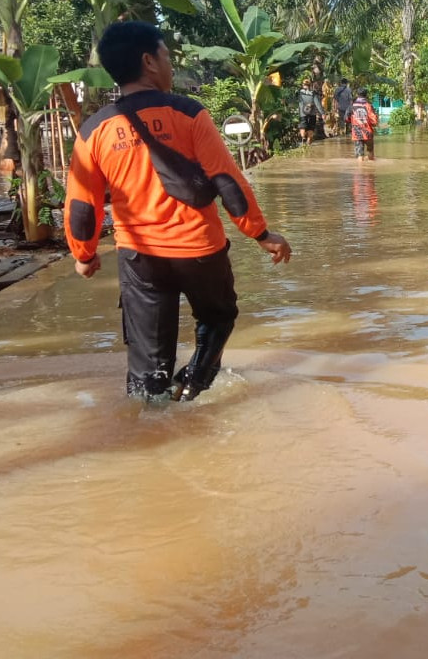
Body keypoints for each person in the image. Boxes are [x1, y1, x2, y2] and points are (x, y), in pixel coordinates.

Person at [64, 21, 292, 402]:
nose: (170, 65)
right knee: (218, 319)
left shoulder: (95, 129)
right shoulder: (188, 114)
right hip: (201, 249)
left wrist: (83, 256)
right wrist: (261, 235)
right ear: (149, 61)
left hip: (139, 259)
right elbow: (228, 182)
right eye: (167, 55)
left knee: (148, 361)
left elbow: (82, 206)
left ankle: (151, 425)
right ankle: (192, 388)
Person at [346, 87, 379, 161]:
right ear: (366, 95)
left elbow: (346, 118)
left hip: (357, 133)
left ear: (357, 94)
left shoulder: (352, 106)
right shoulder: (368, 105)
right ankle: (370, 171)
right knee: (370, 152)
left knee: (360, 155)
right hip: (368, 132)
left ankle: (360, 170)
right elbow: (374, 121)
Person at [297, 78, 325, 145]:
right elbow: (318, 104)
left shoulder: (299, 93)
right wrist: (322, 113)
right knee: (311, 128)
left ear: (303, 85)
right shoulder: (313, 93)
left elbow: (293, 101)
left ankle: (303, 138)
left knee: (302, 126)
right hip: (312, 113)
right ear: (310, 85)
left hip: (303, 113)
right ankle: (309, 140)